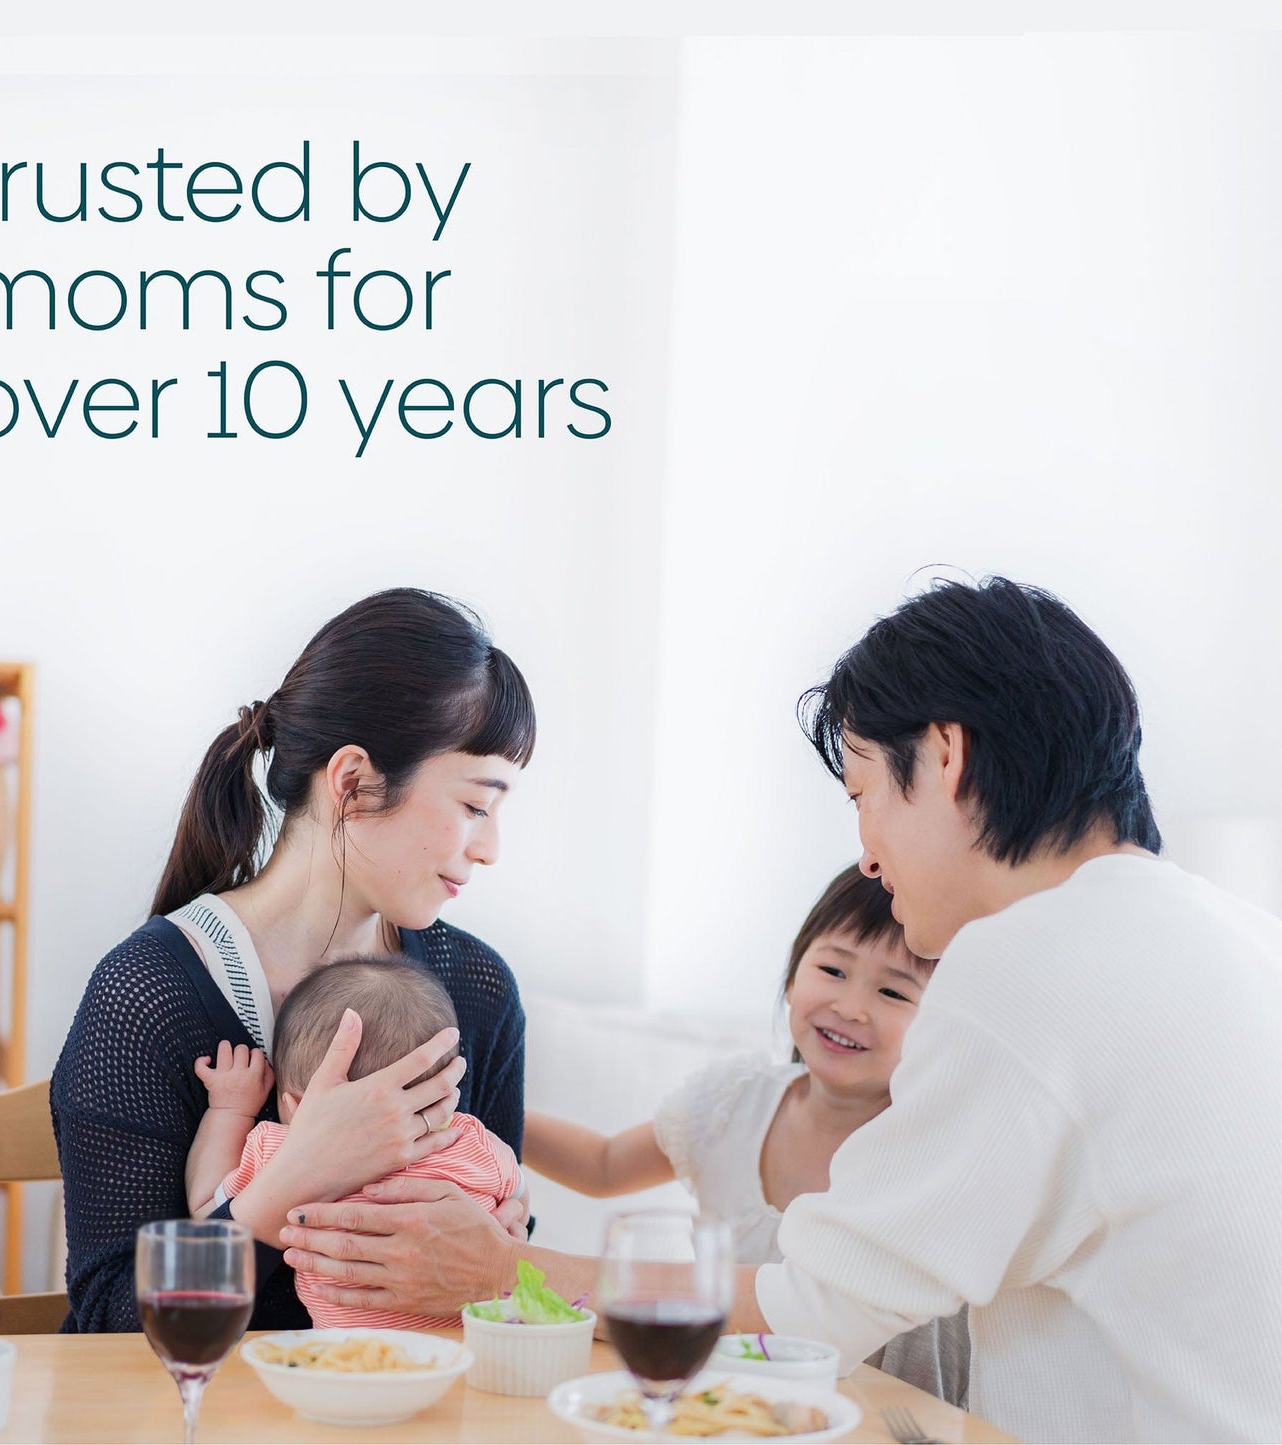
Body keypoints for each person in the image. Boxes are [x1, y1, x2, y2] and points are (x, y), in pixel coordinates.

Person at [280, 576, 1282, 1444]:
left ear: (943, 757)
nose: (866, 852)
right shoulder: (1226, 931)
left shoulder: (1028, 966)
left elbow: (812, 1306)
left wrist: (505, 1269)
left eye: (860, 793)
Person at [50, 587, 536, 1332]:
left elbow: (492, 1264)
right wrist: (301, 1172)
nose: (491, 848)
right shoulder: (147, 994)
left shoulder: (478, 990)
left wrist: (500, 1242)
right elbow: (106, 1327)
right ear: (350, 781)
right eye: (476, 804)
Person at [524, 866, 969, 1407]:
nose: (851, 1007)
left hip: (892, 1420)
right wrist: (487, 1111)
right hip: (730, 1409)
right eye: (832, 968)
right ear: (790, 975)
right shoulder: (733, 1104)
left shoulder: (935, 1148)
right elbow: (604, 1165)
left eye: (894, 993)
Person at [188, 955, 522, 1330]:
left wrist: (230, 1109)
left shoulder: (278, 1152)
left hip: (347, 1362)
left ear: (295, 1105)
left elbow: (207, 1213)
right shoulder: (472, 1142)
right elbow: (517, 1202)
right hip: (470, 1354)